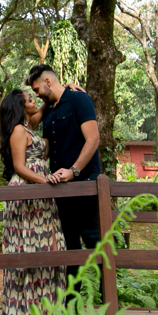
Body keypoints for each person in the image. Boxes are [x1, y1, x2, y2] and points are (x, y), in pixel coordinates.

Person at [0, 88, 67, 315]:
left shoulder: (28, 127)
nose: (34, 100)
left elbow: (44, 106)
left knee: (49, 246)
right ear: (21, 107)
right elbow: (19, 166)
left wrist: (62, 90)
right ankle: (26, 310)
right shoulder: (18, 131)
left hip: (40, 193)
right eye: (29, 100)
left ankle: (46, 309)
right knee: (29, 248)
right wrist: (45, 181)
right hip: (27, 192)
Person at [26, 64, 102, 276]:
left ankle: (107, 293)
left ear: (48, 82)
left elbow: (93, 139)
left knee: (93, 238)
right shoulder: (49, 110)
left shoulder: (79, 99)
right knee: (69, 243)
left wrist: (74, 170)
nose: (37, 95)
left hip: (85, 183)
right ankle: (72, 296)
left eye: (37, 90)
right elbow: (32, 129)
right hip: (60, 187)